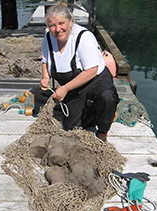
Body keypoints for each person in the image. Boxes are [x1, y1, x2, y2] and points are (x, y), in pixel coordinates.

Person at [40, 2, 119, 142]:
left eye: (61, 23)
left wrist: (64, 88)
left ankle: (102, 131)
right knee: (71, 127)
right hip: (73, 86)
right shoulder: (48, 38)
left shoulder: (84, 37)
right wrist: (45, 77)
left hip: (96, 80)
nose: (57, 29)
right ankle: (98, 110)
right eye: (52, 25)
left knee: (107, 97)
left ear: (70, 22)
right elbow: (45, 61)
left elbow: (91, 71)